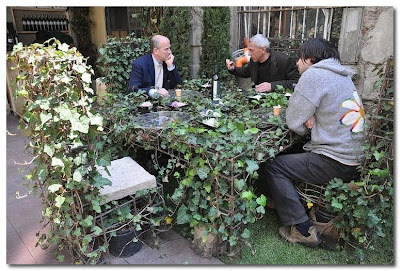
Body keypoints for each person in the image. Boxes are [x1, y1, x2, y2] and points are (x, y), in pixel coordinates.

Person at [262, 38, 366, 247]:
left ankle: (302, 229)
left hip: (337, 160)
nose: (297, 64)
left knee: (274, 166)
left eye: (299, 59)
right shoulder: (342, 76)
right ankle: (281, 199)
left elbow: (293, 122)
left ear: (310, 59)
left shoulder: (314, 74)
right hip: (356, 157)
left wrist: (307, 125)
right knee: (289, 151)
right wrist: (313, 121)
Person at [225, 34, 300, 92]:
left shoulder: (284, 61)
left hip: (279, 103)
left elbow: (296, 82)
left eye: (251, 50)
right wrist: (233, 69)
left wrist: (272, 86)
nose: (249, 54)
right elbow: (246, 72)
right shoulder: (254, 61)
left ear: (263, 50)